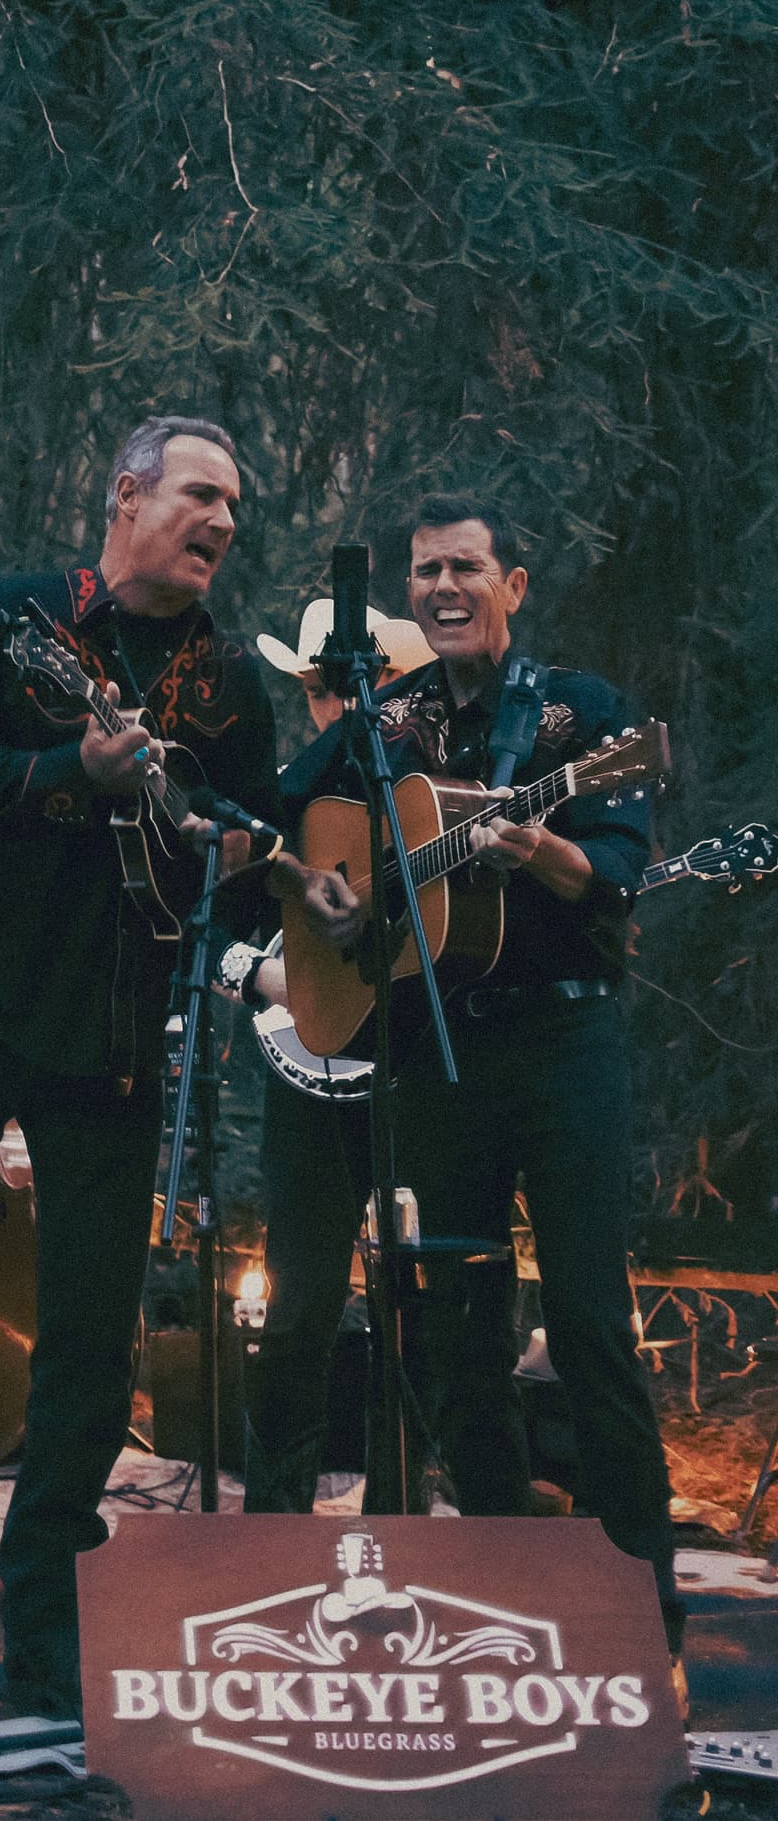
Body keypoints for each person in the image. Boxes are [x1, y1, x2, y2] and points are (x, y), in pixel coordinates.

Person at [0, 418, 356, 1722]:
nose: (223, 518)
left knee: (93, 1338)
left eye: (236, 502)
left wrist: (283, 886)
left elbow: (234, 846)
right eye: (200, 492)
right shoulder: (11, 616)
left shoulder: (228, 679)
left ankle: (47, 1630)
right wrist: (75, 766)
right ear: (125, 496)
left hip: (113, 1024)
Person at [279, 496, 679, 1646]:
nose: (442, 588)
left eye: (464, 568)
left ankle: (641, 1604)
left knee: (592, 1321)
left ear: (514, 581)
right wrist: (326, 883)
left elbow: (620, 866)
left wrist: (545, 848)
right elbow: (289, 800)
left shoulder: (585, 715)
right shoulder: (388, 715)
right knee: (454, 1322)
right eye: (424, 571)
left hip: (562, 1045)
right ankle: (505, 1564)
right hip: (439, 1045)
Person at [230, 598, 447, 1516]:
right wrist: (272, 980)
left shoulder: (437, 800)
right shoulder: (283, 799)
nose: (329, 708)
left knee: (421, 1309)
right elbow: (215, 943)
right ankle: (274, 1519)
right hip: (305, 1079)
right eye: (315, 690)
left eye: (345, 687)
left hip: (408, 1080)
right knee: (297, 1312)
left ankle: (399, 1515)